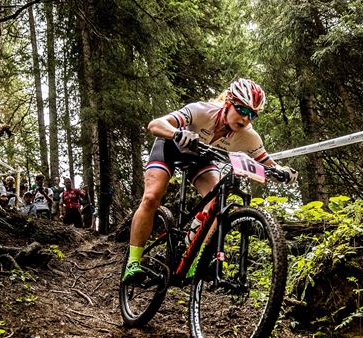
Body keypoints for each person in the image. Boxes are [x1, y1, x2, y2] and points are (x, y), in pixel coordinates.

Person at [122, 78, 298, 284]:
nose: (245, 118)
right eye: (242, 110)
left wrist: (284, 172)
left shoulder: (249, 137)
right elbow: (155, 125)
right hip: (170, 147)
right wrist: (177, 133)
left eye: (252, 115)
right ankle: (133, 262)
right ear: (228, 102)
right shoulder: (202, 111)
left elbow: (269, 165)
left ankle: (193, 259)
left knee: (216, 203)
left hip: (200, 158)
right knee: (152, 196)